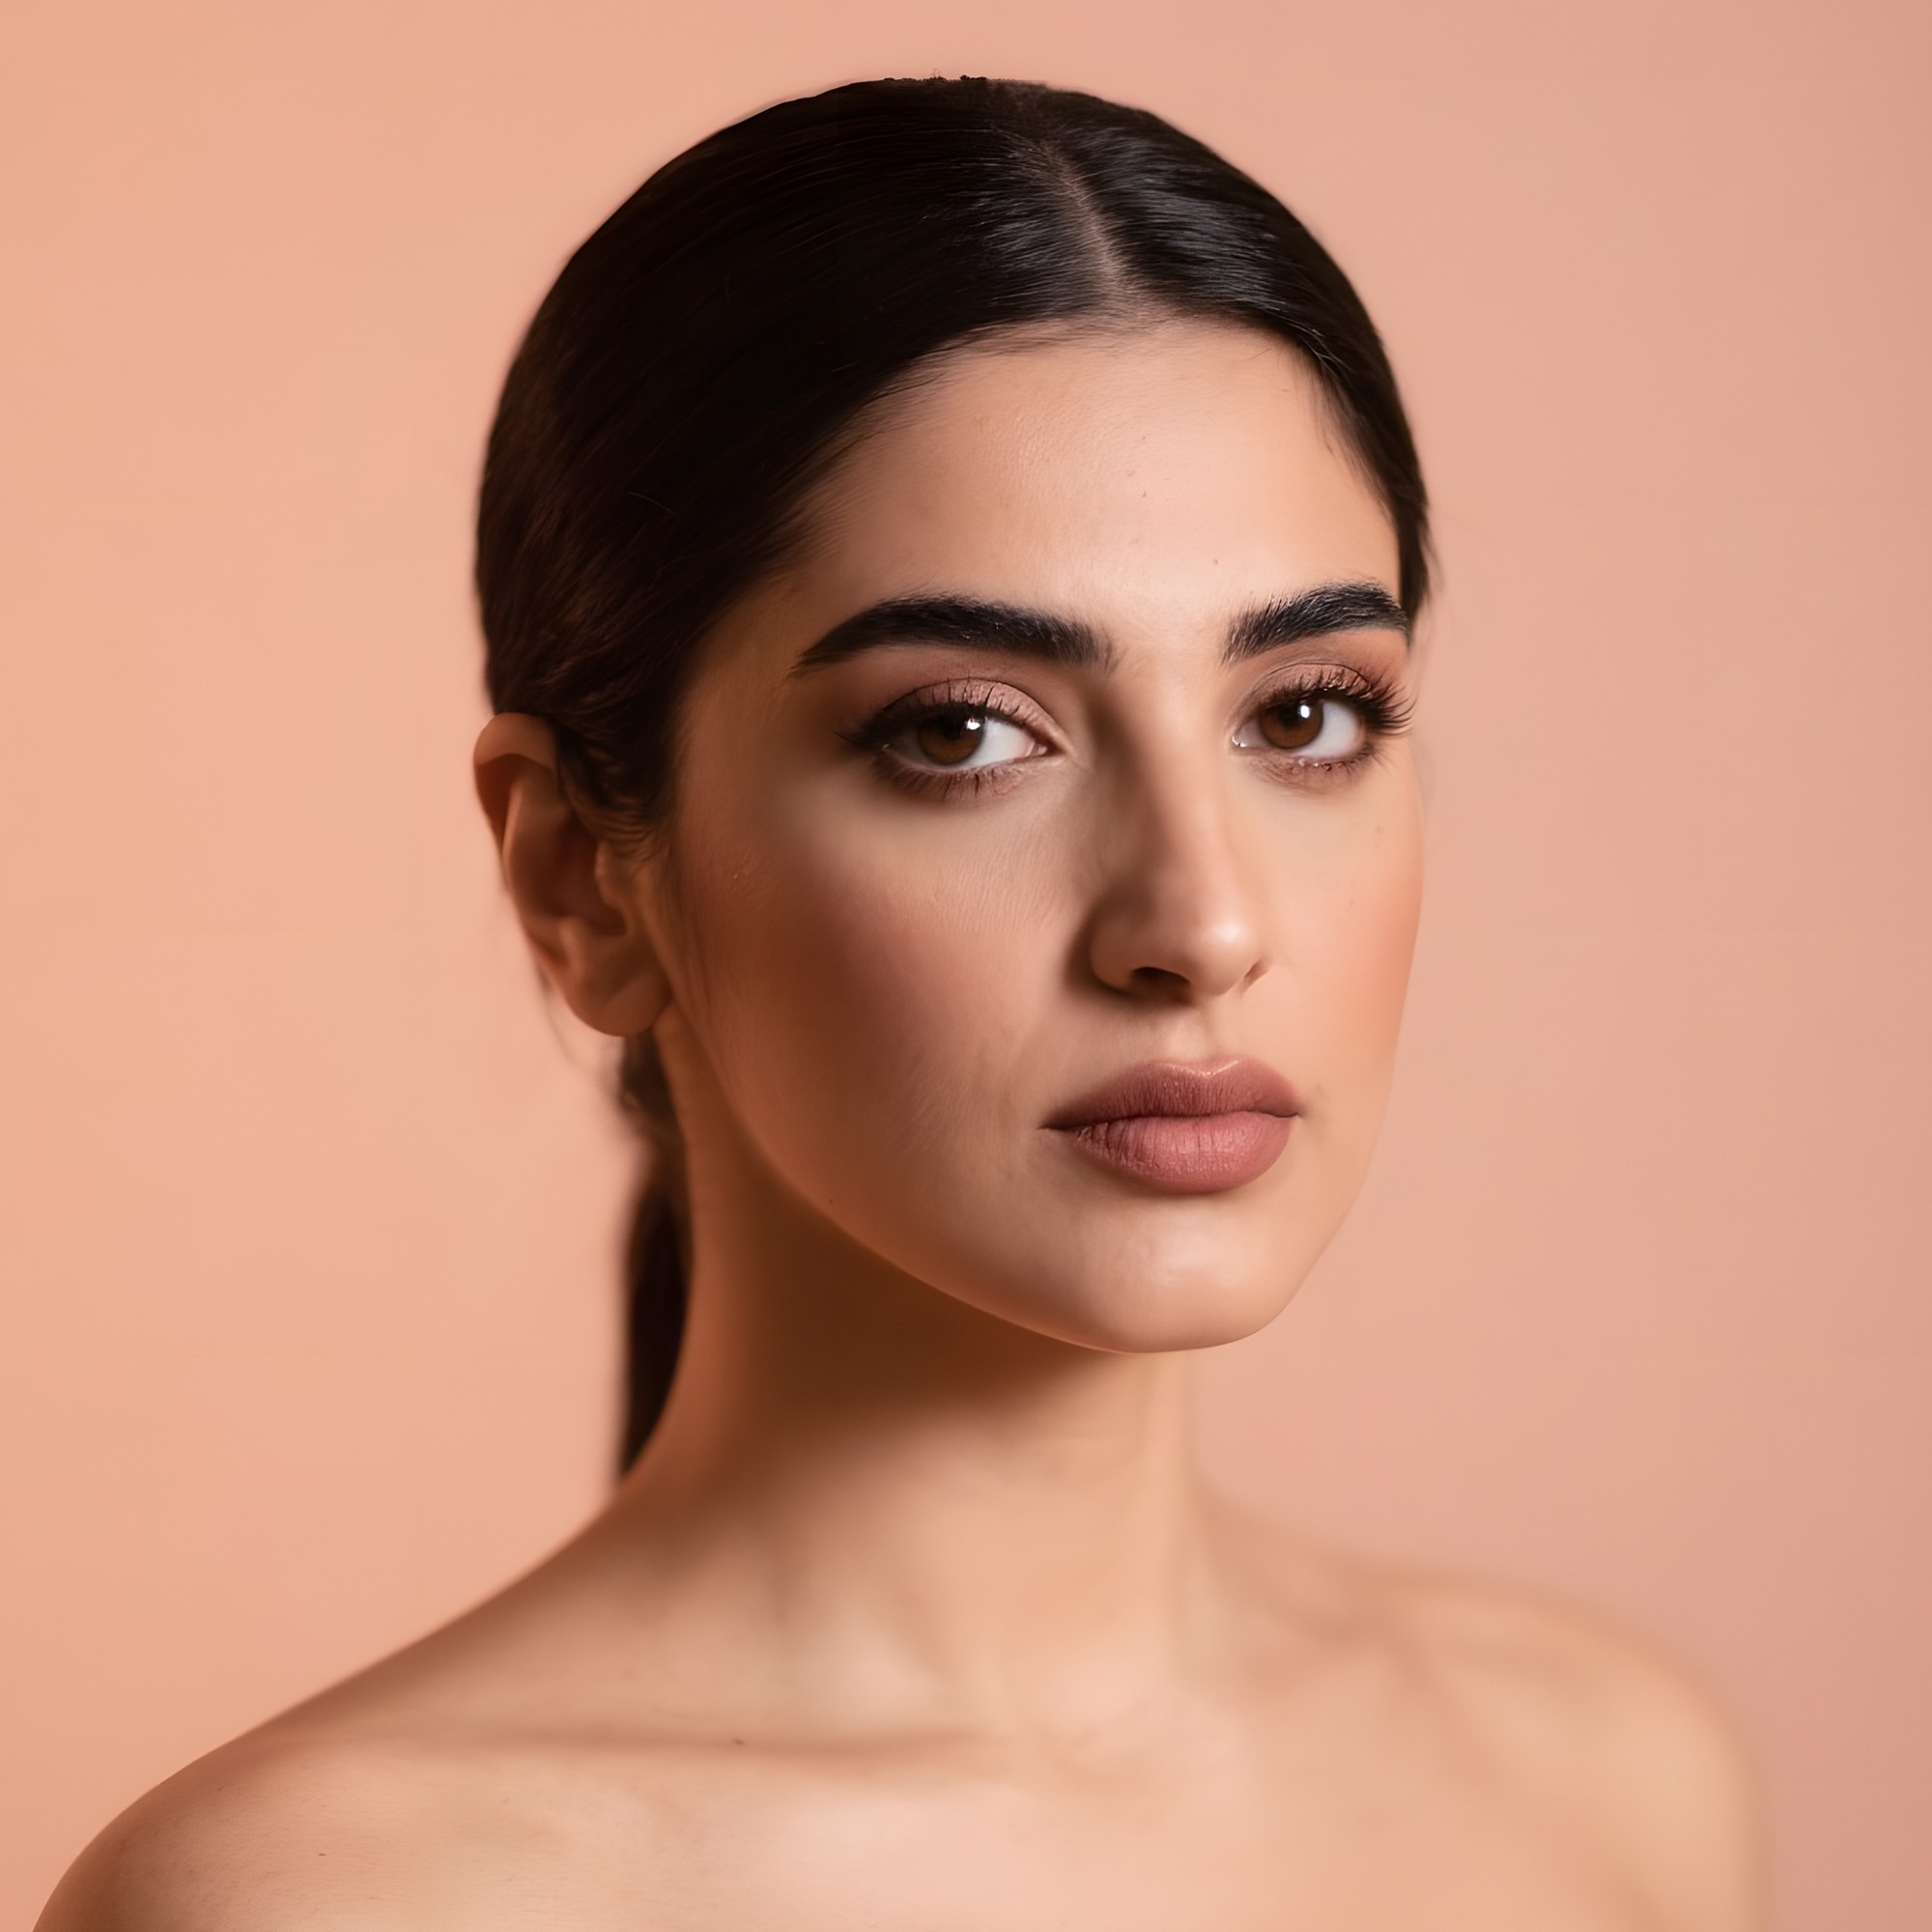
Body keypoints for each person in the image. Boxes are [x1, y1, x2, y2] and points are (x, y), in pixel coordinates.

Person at [40, 75, 1762, 1929]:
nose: (1199, 920)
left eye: (1305, 713)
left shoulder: (1605, 1790)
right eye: (961, 732)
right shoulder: (320, 1905)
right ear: (576, 874)